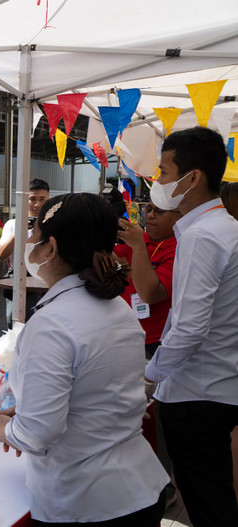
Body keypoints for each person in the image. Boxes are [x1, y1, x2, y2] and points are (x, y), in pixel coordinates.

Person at [0, 193, 169, 525]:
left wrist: (9, 429)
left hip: (86, 503)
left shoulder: (53, 324)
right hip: (138, 488)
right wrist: (28, 411)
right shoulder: (119, 308)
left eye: (36, 239)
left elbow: (38, 433)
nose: (32, 247)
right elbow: (98, 394)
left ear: (51, 248)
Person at [144, 127, 238, 527]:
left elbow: (189, 328)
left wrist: (149, 377)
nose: (159, 182)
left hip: (196, 394)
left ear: (193, 177)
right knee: (211, 494)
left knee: (207, 502)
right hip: (218, 384)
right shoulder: (227, 228)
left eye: (165, 172)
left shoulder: (202, 237)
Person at [113, 201, 180, 359]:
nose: (150, 215)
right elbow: (111, 260)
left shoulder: (180, 248)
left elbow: (149, 293)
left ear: (179, 217)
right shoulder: (139, 239)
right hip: (124, 331)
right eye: (149, 209)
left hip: (155, 340)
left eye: (160, 211)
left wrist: (138, 246)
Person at [0, 178, 50, 327]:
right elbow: (2, 254)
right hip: (19, 286)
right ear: (25, 200)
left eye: (42, 199)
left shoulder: (54, 225)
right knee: (16, 328)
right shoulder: (13, 224)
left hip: (47, 284)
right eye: (32, 199)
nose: (37, 204)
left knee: (43, 328)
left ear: (49, 200)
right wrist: (19, 233)